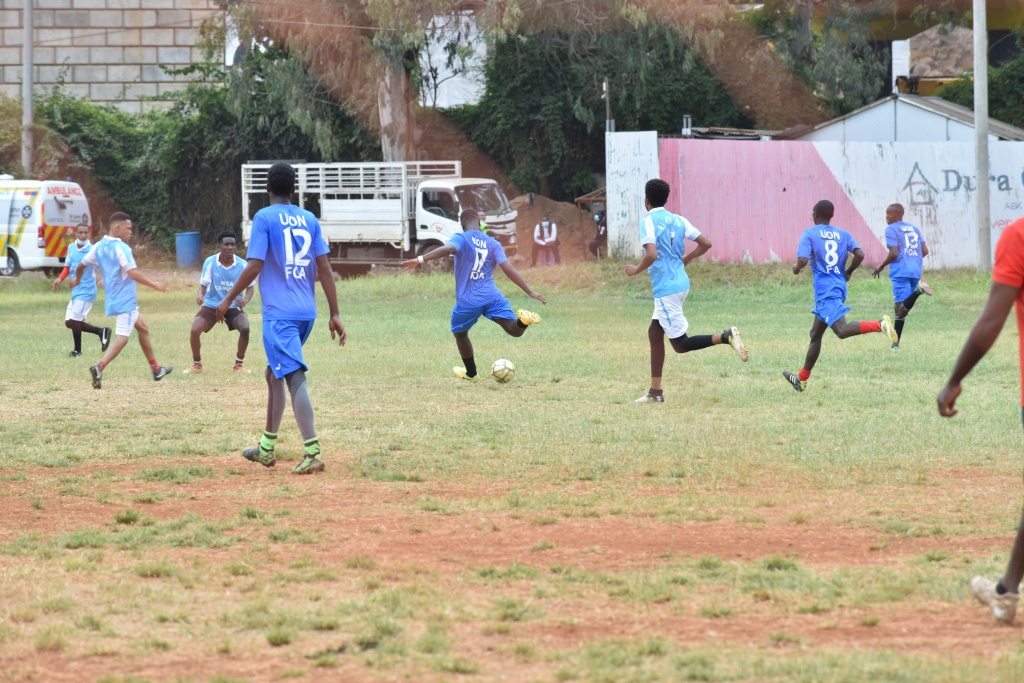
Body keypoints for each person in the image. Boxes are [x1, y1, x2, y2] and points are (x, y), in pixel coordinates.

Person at [216, 162, 346, 476]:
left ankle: (313, 452)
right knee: (273, 374)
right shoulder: (309, 218)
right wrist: (334, 313)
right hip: (306, 313)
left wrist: (228, 299)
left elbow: (254, 265)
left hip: (280, 315)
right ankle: (266, 447)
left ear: (268, 189)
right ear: (293, 189)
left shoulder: (264, 217)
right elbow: (325, 269)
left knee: (293, 376)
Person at [938, 216, 1024, 624]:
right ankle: (1006, 591)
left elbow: (992, 320)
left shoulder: (1019, 235)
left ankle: (1006, 593)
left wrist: (954, 379)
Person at [627, 179, 748, 404]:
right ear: (665, 199)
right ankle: (655, 392)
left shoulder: (648, 221)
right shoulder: (678, 219)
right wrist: (688, 258)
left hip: (666, 289)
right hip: (681, 284)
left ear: (646, 200)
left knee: (680, 345)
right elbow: (706, 243)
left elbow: (651, 254)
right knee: (655, 333)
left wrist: (636, 270)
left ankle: (725, 337)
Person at [401, 208, 546, 382]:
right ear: (479, 222)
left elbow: (449, 249)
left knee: (460, 334)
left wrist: (420, 259)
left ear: (462, 224)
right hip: (492, 296)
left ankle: (471, 373)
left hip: (468, 300)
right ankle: (524, 321)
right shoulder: (492, 243)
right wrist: (529, 291)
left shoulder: (460, 238)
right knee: (513, 330)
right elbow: (508, 267)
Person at [782, 200, 898, 392]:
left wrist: (796, 268)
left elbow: (802, 260)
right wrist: (849, 271)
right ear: (831, 216)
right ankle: (801, 380)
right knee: (815, 334)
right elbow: (860, 254)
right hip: (838, 286)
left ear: (815, 214)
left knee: (841, 330)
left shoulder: (809, 233)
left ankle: (880, 325)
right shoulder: (843, 234)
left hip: (826, 290)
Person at [71, 212, 172, 389]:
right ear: (117, 228)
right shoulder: (122, 248)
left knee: (143, 327)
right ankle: (99, 366)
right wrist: (154, 284)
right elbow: (132, 272)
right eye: (128, 228)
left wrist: (77, 280)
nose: (130, 232)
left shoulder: (99, 246)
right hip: (125, 299)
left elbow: (81, 266)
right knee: (123, 337)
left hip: (113, 298)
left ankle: (156, 369)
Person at [184, 231, 254, 374]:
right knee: (195, 330)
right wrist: (200, 295)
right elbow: (203, 286)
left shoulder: (242, 265)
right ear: (219, 246)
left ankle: (239, 365)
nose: (230, 247)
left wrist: (245, 299)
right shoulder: (210, 262)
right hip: (212, 304)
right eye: (226, 244)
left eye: (233, 244)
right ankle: (197, 365)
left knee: (245, 328)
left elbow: (251, 287)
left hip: (233, 305)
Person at [871, 203, 934, 350]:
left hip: (901, 271)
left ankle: (918, 291)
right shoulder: (914, 228)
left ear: (899, 214)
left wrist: (881, 265)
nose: (887, 216)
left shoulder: (891, 229)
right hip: (915, 270)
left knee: (900, 309)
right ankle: (895, 344)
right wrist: (913, 260)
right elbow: (925, 250)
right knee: (901, 310)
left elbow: (894, 253)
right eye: (886, 213)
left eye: (890, 213)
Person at [52, 223, 110, 357]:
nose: (83, 235)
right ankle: (101, 331)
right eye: (80, 232)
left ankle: (77, 351)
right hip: (76, 291)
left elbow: (106, 266)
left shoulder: (92, 250)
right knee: (69, 322)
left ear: (89, 234)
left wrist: (105, 279)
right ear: (76, 234)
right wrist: (60, 278)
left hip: (87, 290)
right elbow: (68, 266)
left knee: (74, 321)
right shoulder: (71, 248)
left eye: (86, 233)